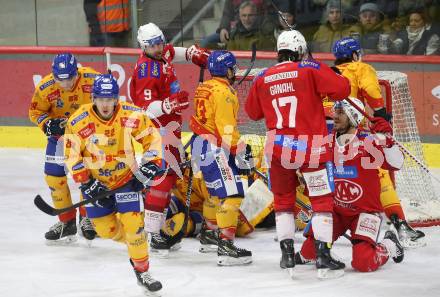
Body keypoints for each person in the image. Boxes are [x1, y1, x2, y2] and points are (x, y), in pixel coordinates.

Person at [245, 30, 351, 279]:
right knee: (322, 200)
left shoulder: (263, 76)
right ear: (301, 50)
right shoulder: (309, 69)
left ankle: (287, 255)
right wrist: (317, 65)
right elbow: (342, 89)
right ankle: (323, 256)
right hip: (309, 147)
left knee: (283, 202)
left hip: (279, 148)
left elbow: (252, 113)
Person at [63, 74, 163, 294]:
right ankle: (132, 242)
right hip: (96, 185)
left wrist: (151, 163)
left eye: (110, 99)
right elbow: (71, 155)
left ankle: (143, 270)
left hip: (126, 181)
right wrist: (87, 183)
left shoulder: (131, 114)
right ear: (94, 98)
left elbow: (152, 138)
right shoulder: (78, 120)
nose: (106, 104)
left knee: (135, 228)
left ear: (117, 98)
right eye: (101, 99)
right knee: (106, 231)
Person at [332, 37, 426, 248]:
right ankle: (399, 224)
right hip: (350, 133)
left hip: (324, 136)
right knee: (377, 173)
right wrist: (383, 121)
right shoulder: (360, 68)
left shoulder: (325, 73)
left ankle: (307, 224)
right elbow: (375, 100)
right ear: (355, 55)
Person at [296, 98, 405, 272]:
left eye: (341, 113)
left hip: (364, 212)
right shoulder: (325, 142)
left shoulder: (369, 141)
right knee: (308, 252)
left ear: (353, 117)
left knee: (363, 263)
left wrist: (389, 141)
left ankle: (390, 244)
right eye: (335, 112)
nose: (335, 117)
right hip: (336, 211)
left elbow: (397, 164)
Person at [130, 22, 210, 235]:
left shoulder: (161, 51)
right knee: (162, 179)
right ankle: (151, 232)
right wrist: (170, 104)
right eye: (153, 45)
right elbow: (145, 110)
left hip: (170, 128)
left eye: (160, 42)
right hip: (157, 132)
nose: (159, 47)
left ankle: (158, 223)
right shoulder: (147, 71)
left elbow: (174, 52)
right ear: (143, 47)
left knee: (171, 176)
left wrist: (193, 54)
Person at [189, 50, 253, 266]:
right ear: (226, 70)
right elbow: (226, 130)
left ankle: (209, 234)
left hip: (200, 145)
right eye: (232, 67)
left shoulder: (203, 87)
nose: (235, 71)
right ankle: (225, 245)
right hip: (216, 147)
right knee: (233, 194)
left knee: (216, 194)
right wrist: (241, 151)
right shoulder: (224, 92)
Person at [29, 53, 99, 244]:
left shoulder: (93, 79)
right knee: (54, 176)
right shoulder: (45, 86)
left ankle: (88, 219)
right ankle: (66, 222)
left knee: (87, 175)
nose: (66, 83)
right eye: (61, 79)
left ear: (76, 72)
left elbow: (109, 104)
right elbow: (35, 111)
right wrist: (47, 124)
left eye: (70, 78)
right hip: (58, 138)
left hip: (85, 137)